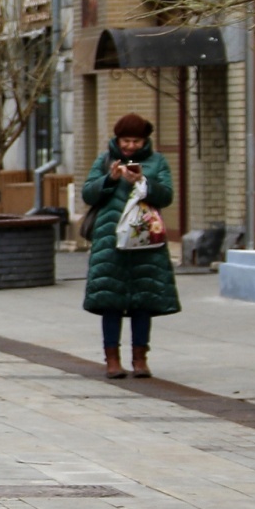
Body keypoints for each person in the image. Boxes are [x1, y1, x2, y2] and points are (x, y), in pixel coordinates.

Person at [81, 113, 180, 378]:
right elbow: (88, 193)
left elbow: (167, 195)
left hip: (146, 240)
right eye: (126, 140)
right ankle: (112, 359)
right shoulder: (104, 161)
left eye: (136, 141)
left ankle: (140, 358)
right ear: (117, 139)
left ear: (145, 140)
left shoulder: (157, 162)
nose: (130, 146)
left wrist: (142, 182)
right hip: (110, 239)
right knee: (110, 300)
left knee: (142, 301)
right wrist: (110, 179)